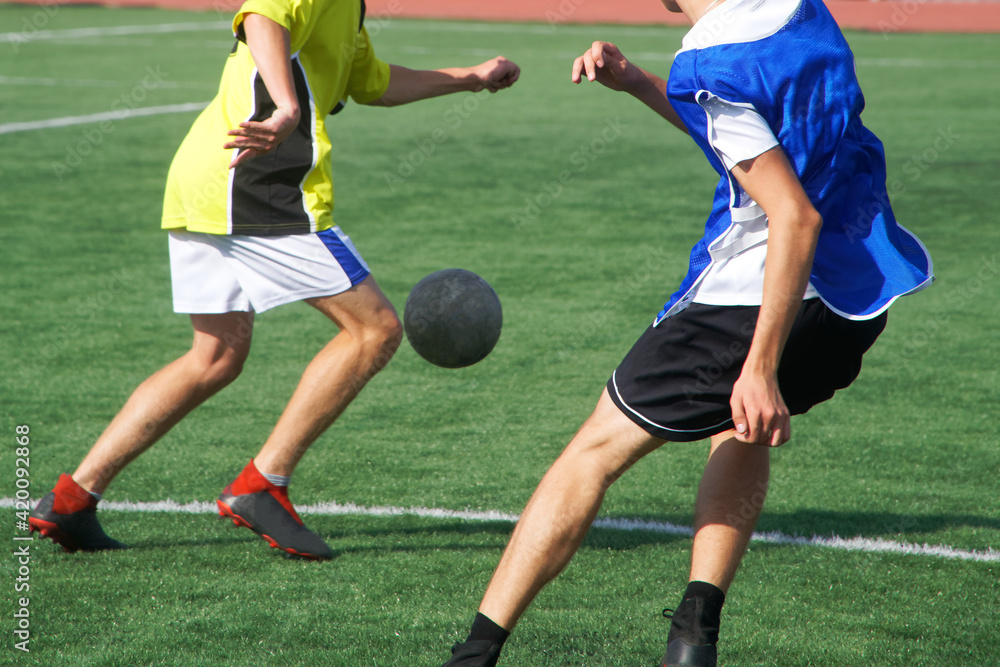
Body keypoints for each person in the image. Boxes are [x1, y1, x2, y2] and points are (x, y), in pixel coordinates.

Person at [440, 0, 932, 664]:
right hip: (854, 298)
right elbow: (757, 141)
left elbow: (794, 217)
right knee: (739, 423)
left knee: (592, 452)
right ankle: (693, 636)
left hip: (753, 297)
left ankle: (474, 654)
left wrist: (759, 365)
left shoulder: (708, 62)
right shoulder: (802, 11)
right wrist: (641, 85)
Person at [29, 0, 520, 560]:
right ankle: (263, 484)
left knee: (213, 357)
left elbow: (373, 82)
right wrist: (286, 103)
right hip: (256, 180)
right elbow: (263, 15)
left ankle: (70, 499)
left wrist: (471, 79)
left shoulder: (348, 9)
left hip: (208, 176)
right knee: (374, 330)